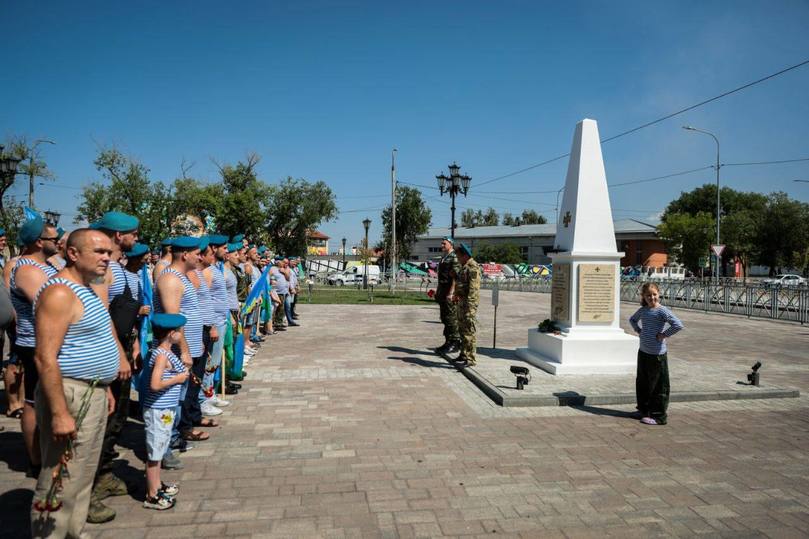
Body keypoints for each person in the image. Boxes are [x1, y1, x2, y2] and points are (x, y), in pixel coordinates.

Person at [30, 228, 127, 538]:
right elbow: (45, 357)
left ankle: (75, 531)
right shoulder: (59, 292)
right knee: (61, 475)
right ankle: (51, 533)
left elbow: (92, 342)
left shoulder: (86, 288)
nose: (107, 258)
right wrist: (59, 412)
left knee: (82, 475)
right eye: (99, 252)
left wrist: (105, 386)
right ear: (73, 253)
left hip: (91, 390)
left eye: (109, 252)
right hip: (70, 392)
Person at [88, 211, 141, 523]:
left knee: (117, 418)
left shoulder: (118, 268)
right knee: (100, 423)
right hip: (107, 354)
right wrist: (118, 354)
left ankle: (105, 472)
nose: (135, 239)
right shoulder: (103, 272)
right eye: (132, 233)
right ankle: (90, 487)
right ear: (119, 235)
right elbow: (102, 315)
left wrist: (132, 344)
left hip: (122, 347)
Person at [10, 216, 59, 476]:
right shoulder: (28, 269)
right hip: (35, 343)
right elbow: (48, 303)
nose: (59, 241)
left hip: (50, 341)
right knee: (33, 401)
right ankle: (35, 460)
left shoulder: (48, 265)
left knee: (47, 400)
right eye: (54, 238)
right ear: (39, 242)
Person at [154, 236, 208, 446]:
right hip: (175, 351)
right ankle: (169, 440)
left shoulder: (182, 276)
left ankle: (175, 434)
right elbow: (173, 320)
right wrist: (185, 350)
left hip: (188, 348)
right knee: (173, 399)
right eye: (197, 254)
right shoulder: (171, 279)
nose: (199, 257)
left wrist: (196, 344)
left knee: (181, 396)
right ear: (185, 255)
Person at [141, 313, 187, 510]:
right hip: (157, 410)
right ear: (171, 334)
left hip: (165, 409)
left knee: (160, 446)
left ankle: (158, 485)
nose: (181, 334)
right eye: (178, 331)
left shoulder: (166, 352)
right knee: (155, 452)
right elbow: (155, 384)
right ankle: (152, 494)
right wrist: (177, 379)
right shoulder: (161, 355)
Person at [629, 282, 684, 426]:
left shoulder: (662, 311)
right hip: (643, 352)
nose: (651, 298)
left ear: (659, 294)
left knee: (659, 386)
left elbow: (678, 324)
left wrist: (664, 335)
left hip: (657, 355)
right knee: (643, 382)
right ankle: (644, 410)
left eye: (654, 294)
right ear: (643, 297)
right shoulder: (643, 310)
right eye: (648, 295)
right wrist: (639, 330)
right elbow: (632, 320)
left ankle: (659, 416)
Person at [453, 243, 480, 367]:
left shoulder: (472, 267)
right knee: (462, 330)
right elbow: (461, 284)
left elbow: (473, 290)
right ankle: (463, 354)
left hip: (468, 304)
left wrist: (470, 308)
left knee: (469, 331)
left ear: (465, 255)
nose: (457, 259)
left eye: (458, 256)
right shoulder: (464, 267)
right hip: (461, 302)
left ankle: (471, 359)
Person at [435, 237, 460, 355]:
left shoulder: (454, 257)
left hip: (449, 292)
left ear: (451, 244)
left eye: (444, 243)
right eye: (442, 243)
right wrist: (438, 291)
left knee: (451, 317)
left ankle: (455, 342)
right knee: (444, 317)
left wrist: (451, 292)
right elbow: (441, 277)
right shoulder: (444, 257)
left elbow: (455, 277)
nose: (442, 245)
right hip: (442, 291)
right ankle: (448, 341)